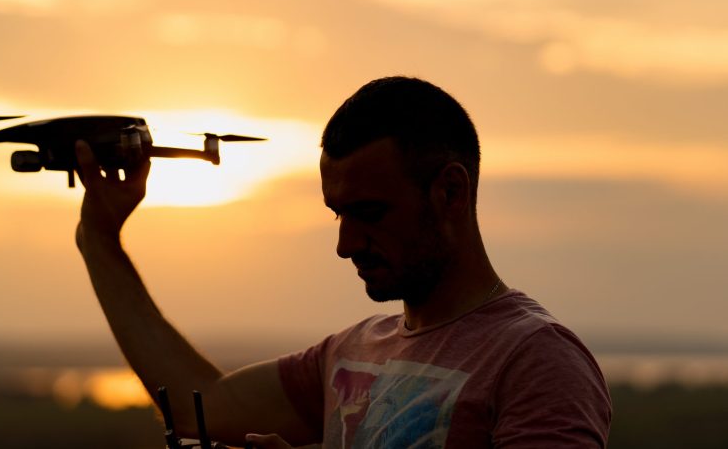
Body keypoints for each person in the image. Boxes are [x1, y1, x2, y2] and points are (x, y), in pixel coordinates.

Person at [74, 76, 611, 448]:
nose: (346, 244)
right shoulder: (350, 354)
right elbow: (199, 407)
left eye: (369, 212)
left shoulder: (535, 362)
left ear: (450, 191)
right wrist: (100, 239)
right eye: (338, 216)